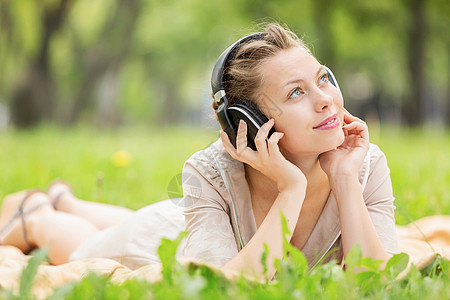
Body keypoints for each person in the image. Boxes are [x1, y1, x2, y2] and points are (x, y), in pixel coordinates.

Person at [0, 23, 398, 278]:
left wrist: (344, 180)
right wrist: (290, 188)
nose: (327, 99)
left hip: (196, 228)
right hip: (171, 241)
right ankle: (37, 215)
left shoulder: (362, 163)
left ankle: (65, 198)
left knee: (159, 216)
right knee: (88, 250)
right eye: (296, 92)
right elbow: (228, 285)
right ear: (249, 122)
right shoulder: (210, 173)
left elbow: (374, 280)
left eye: (323, 78)